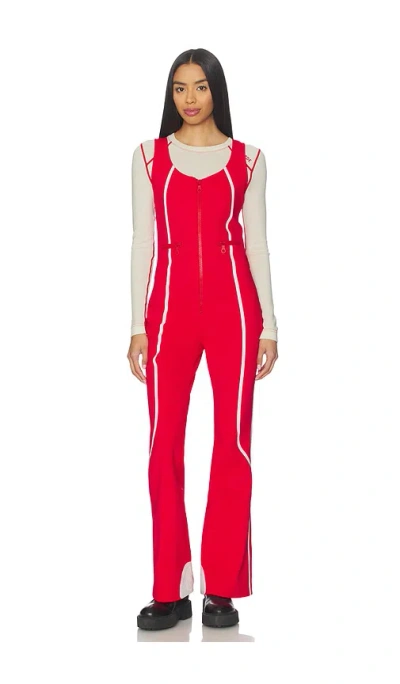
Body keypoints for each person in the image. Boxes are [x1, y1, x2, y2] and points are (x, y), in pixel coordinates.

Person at [127, 48, 278, 631]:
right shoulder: (148, 157)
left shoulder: (249, 160)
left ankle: (222, 587)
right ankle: (170, 588)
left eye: (200, 87)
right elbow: (142, 243)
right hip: (167, 316)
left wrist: (270, 325)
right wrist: (137, 324)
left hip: (234, 311)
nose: (189, 98)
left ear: (217, 91)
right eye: (179, 88)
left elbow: (257, 244)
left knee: (231, 443)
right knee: (163, 443)